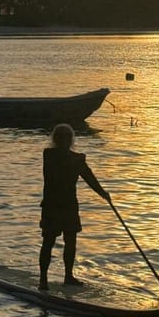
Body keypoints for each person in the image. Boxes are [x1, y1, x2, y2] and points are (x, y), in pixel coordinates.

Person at [38, 123, 110, 290]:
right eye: (61, 138)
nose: (64, 141)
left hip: (69, 206)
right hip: (52, 206)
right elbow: (64, 165)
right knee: (48, 241)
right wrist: (78, 160)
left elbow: (90, 178)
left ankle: (68, 276)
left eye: (66, 138)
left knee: (70, 242)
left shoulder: (77, 159)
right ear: (56, 140)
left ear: (70, 140)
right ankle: (43, 279)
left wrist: (103, 194)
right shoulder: (49, 155)